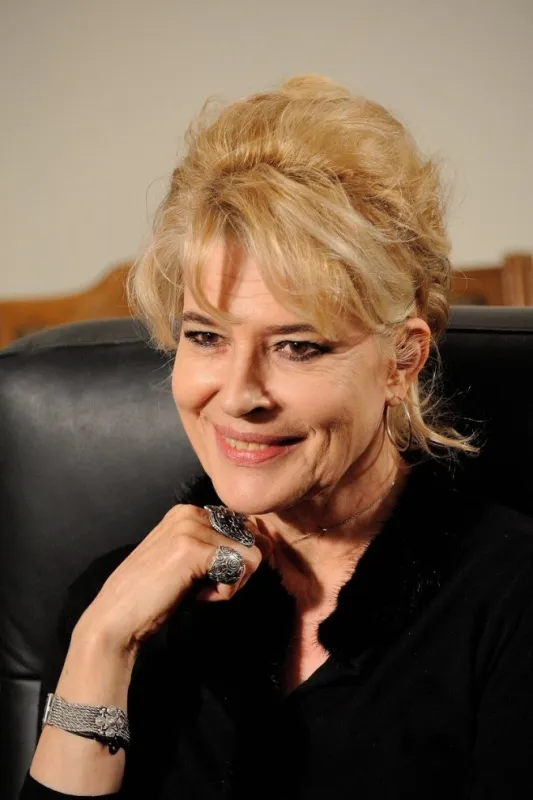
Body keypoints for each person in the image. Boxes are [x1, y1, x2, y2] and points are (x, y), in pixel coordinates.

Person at [20, 76, 533, 800]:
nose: (237, 396)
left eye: (297, 346)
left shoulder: (510, 598)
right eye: (205, 336)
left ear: (402, 358)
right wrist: (100, 643)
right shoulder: (112, 599)